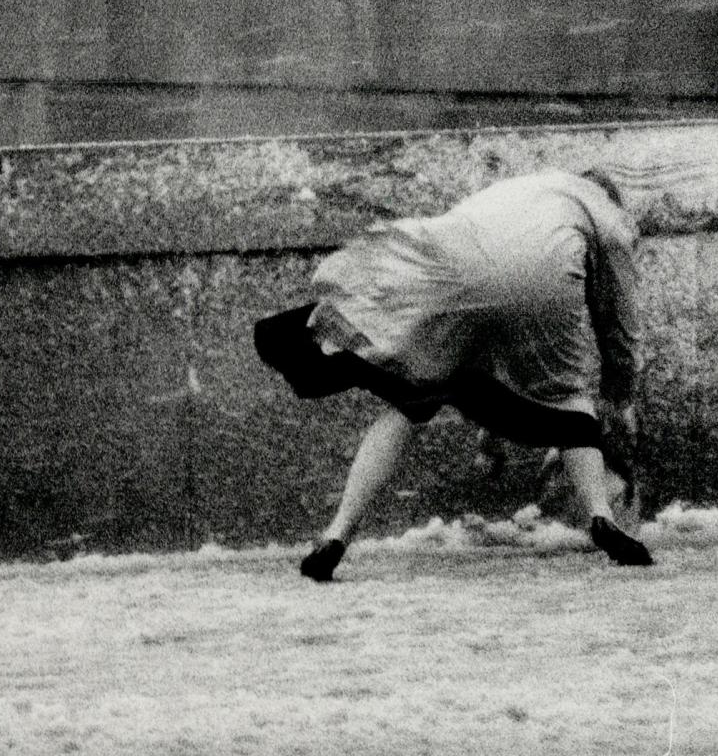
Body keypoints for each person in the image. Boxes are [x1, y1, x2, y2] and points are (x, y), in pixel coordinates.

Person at [254, 167, 653, 580]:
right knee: (569, 400)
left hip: (448, 272)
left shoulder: (519, 189)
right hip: (544, 280)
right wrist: (619, 396)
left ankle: (338, 532)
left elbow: (488, 332)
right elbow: (619, 324)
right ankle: (602, 518)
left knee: (411, 402)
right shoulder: (608, 217)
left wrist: (489, 434)